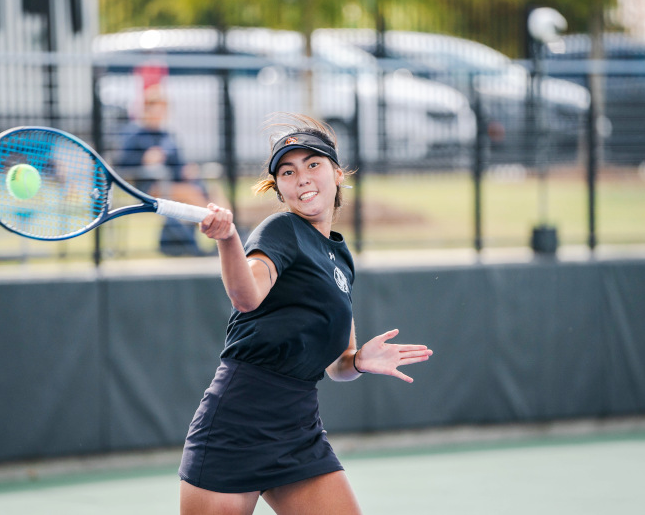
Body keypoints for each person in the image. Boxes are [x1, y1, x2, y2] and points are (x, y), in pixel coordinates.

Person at [179, 113, 434, 514]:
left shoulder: (340, 257)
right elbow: (247, 296)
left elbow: (338, 366)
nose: (302, 178)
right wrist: (228, 239)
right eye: (288, 171)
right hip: (238, 421)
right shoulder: (281, 230)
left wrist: (361, 361)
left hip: (298, 428)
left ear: (336, 174)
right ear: (279, 188)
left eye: (313, 164)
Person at [118, 84, 209, 256]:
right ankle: (213, 235)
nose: (158, 115)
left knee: (212, 193)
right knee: (190, 194)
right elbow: (123, 165)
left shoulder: (168, 135)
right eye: (155, 110)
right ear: (146, 110)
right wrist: (144, 160)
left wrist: (187, 170)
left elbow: (179, 163)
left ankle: (222, 234)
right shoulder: (135, 135)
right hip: (147, 188)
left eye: (162, 110)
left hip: (175, 184)